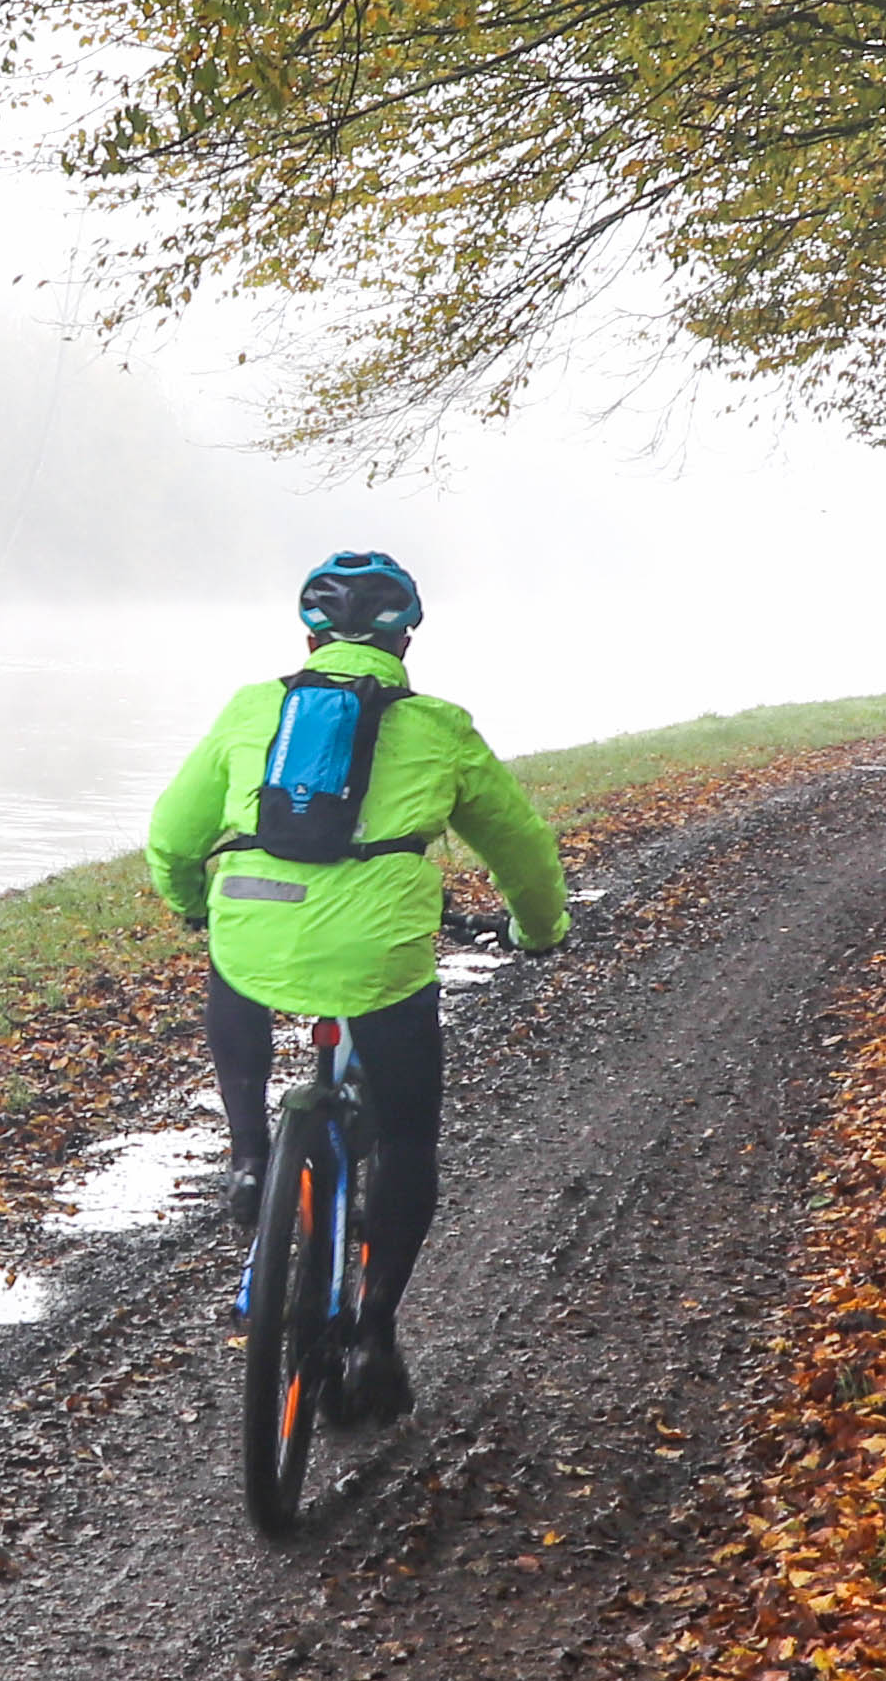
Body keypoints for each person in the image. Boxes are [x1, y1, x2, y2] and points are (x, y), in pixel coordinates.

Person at [142, 548, 568, 1427]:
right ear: (408, 635)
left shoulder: (252, 707)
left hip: (251, 927)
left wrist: (196, 910)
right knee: (408, 1137)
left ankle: (252, 1158)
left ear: (308, 634)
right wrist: (538, 931)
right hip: (379, 958)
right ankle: (374, 1332)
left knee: (236, 963)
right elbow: (522, 851)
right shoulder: (442, 726)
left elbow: (171, 837)